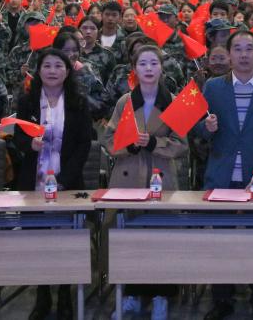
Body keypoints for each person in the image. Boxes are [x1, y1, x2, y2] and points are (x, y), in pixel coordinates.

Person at [195, 30, 253, 320]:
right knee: (221, 241)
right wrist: (206, 127)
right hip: (221, 174)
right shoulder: (213, 87)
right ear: (229, 54)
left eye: (249, 49)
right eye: (238, 49)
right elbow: (197, 128)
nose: (244, 54)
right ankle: (222, 298)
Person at [103, 43, 187, 320]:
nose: (148, 68)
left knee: (162, 236)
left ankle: (161, 295)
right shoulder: (124, 102)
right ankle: (132, 294)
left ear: (162, 68)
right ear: (134, 69)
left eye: (154, 63)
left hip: (162, 174)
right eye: (143, 64)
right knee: (129, 237)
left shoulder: (173, 101)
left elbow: (181, 143)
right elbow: (108, 139)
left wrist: (153, 142)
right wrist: (130, 144)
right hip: (129, 174)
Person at [14, 47, 92, 320]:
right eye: (47, 65)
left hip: (66, 181)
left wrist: (65, 180)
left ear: (68, 71)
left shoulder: (78, 103)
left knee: (66, 240)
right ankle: (43, 295)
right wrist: (29, 144)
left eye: (58, 66)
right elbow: (17, 137)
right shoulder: (27, 102)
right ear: (38, 70)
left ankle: (65, 294)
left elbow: (84, 144)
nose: (52, 71)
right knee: (38, 241)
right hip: (33, 181)